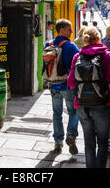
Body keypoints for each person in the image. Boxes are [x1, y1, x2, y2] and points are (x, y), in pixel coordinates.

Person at [68, 26, 110, 168]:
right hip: (102, 104)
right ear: (98, 39)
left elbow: (71, 82)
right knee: (103, 143)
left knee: (89, 144)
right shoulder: (108, 56)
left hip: (82, 105)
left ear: (85, 40)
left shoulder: (77, 57)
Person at [46, 18, 80, 154]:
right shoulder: (71, 47)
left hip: (53, 85)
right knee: (73, 111)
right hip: (67, 85)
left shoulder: (49, 44)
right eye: (69, 29)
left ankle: (57, 142)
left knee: (56, 114)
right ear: (61, 30)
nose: (71, 31)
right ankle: (71, 135)